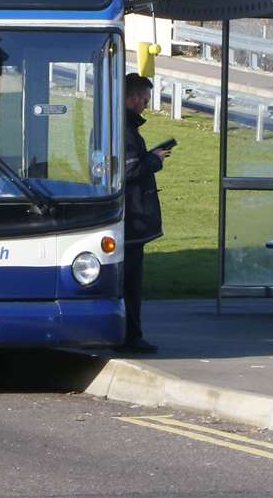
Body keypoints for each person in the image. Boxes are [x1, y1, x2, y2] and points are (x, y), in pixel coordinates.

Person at [120, 72, 170, 353]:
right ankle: (131, 336)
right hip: (133, 218)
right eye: (145, 99)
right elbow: (129, 169)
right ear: (134, 98)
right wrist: (154, 159)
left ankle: (129, 333)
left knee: (128, 280)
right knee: (130, 282)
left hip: (131, 217)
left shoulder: (120, 125)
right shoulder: (126, 129)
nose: (146, 106)